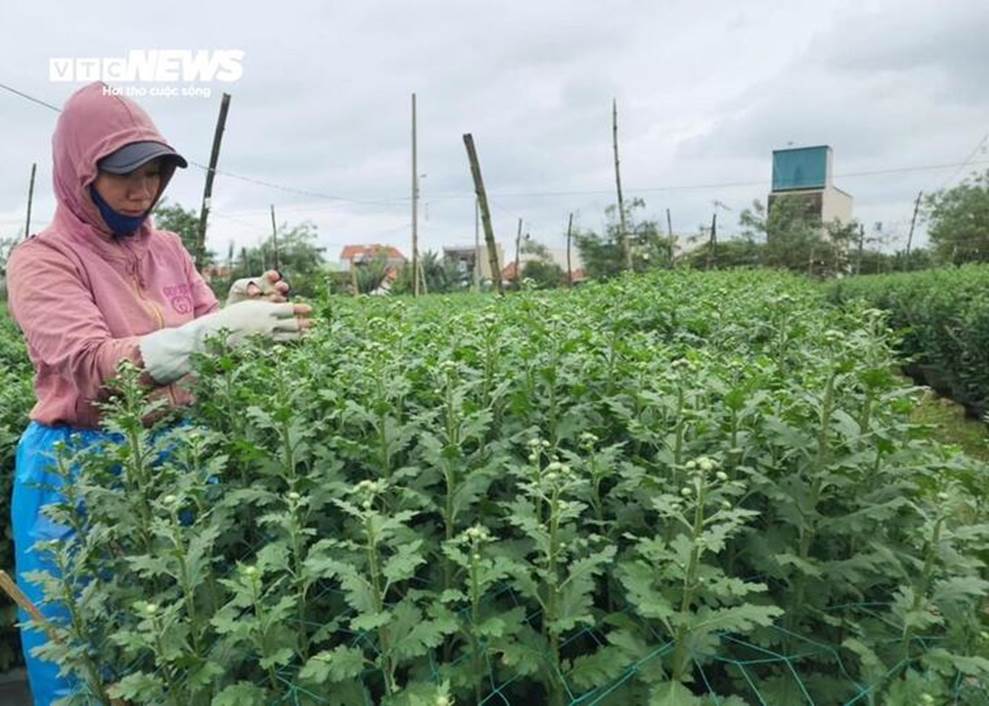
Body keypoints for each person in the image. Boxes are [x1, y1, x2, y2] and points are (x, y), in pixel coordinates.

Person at [4, 81, 314, 705]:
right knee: (84, 653)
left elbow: (200, 319)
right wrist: (217, 332)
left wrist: (238, 310)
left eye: (154, 173)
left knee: (185, 640)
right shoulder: (43, 260)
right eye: (123, 176)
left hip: (178, 456)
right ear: (80, 172)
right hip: (77, 467)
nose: (142, 190)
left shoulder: (167, 247)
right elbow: (95, 365)